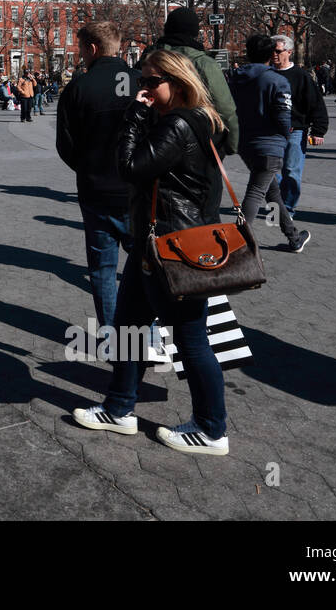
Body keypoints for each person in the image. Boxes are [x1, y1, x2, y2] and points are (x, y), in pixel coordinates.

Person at [73, 49, 233, 455]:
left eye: (151, 82)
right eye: (141, 81)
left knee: (192, 340)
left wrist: (134, 117)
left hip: (172, 247)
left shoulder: (179, 124)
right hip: (156, 243)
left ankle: (212, 429)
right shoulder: (199, 119)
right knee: (128, 326)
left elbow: (129, 166)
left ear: (176, 84)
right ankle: (119, 408)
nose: (142, 89)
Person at [57, 22, 167, 361]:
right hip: (140, 191)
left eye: (79, 48)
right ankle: (149, 336)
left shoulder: (78, 88)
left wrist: (90, 168)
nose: (78, 54)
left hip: (96, 191)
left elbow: (66, 146)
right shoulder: (144, 83)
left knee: (103, 270)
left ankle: (113, 338)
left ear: (91, 48)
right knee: (146, 265)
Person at [229, 35, 309, 253]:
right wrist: (284, 135)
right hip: (269, 144)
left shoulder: (236, 78)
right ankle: (237, 243)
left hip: (246, 142)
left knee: (272, 191)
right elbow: (284, 116)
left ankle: (293, 236)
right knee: (256, 192)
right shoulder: (275, 80)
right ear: (270, 53)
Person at [147, 8, 240, 155]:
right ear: (195, 32)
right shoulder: (204, 63)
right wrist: (231, 146)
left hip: (153, 140)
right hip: (196, 142)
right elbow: (225, 108)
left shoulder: (147, 60)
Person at [271, 35, 329, 217]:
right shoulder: (265, 74)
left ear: (289, 52)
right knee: (268, 171)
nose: (274, 54)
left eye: (278, 51)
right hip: (270, 131)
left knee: (291, 172)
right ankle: (279, 199)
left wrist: (318, 130)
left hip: (295, 130)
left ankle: (287, 208)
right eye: (271, 51)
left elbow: (316, 104)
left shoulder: (301, 76)